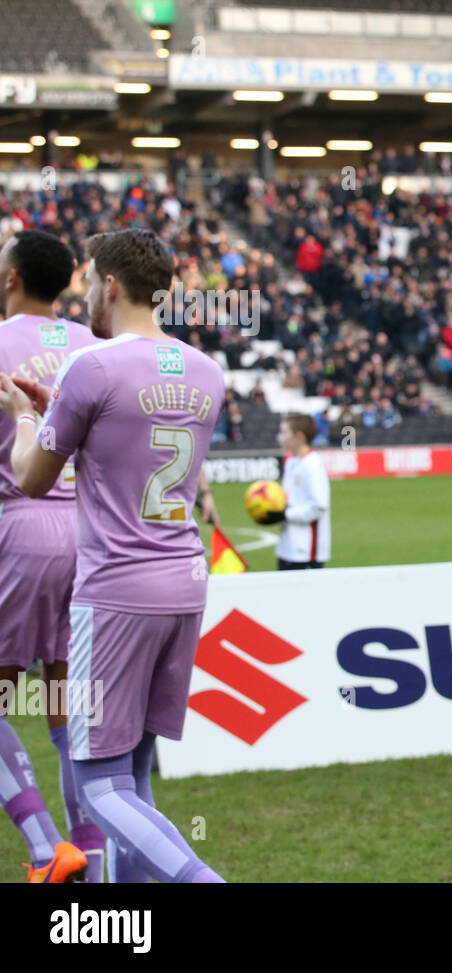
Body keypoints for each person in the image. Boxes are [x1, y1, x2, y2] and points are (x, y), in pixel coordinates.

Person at [0, 227, 225, 882]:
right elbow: (128, 438)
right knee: (132, 776)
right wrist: (57, 413)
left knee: (101, 785)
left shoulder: (92, 366)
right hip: (183, 579)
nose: (86, 294)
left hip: (116, 587)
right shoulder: (208, 371)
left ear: (112, 283)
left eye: (92, 281)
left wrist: (22, 417)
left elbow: (35, 474)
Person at [0, 230, 103, 882]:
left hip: (20, 530)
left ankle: (46, 847)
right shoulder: (93, 346)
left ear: (11, 278)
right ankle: (92, 870)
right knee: (70, 713)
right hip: (88, 536)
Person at [268, 413, 331, 570]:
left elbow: (319, 506)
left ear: (299, 437)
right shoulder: (291, 461)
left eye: (284, 432)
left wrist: (285, 515)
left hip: (306, 551)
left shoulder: (312, 464)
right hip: (287, 547)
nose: (279, 437)